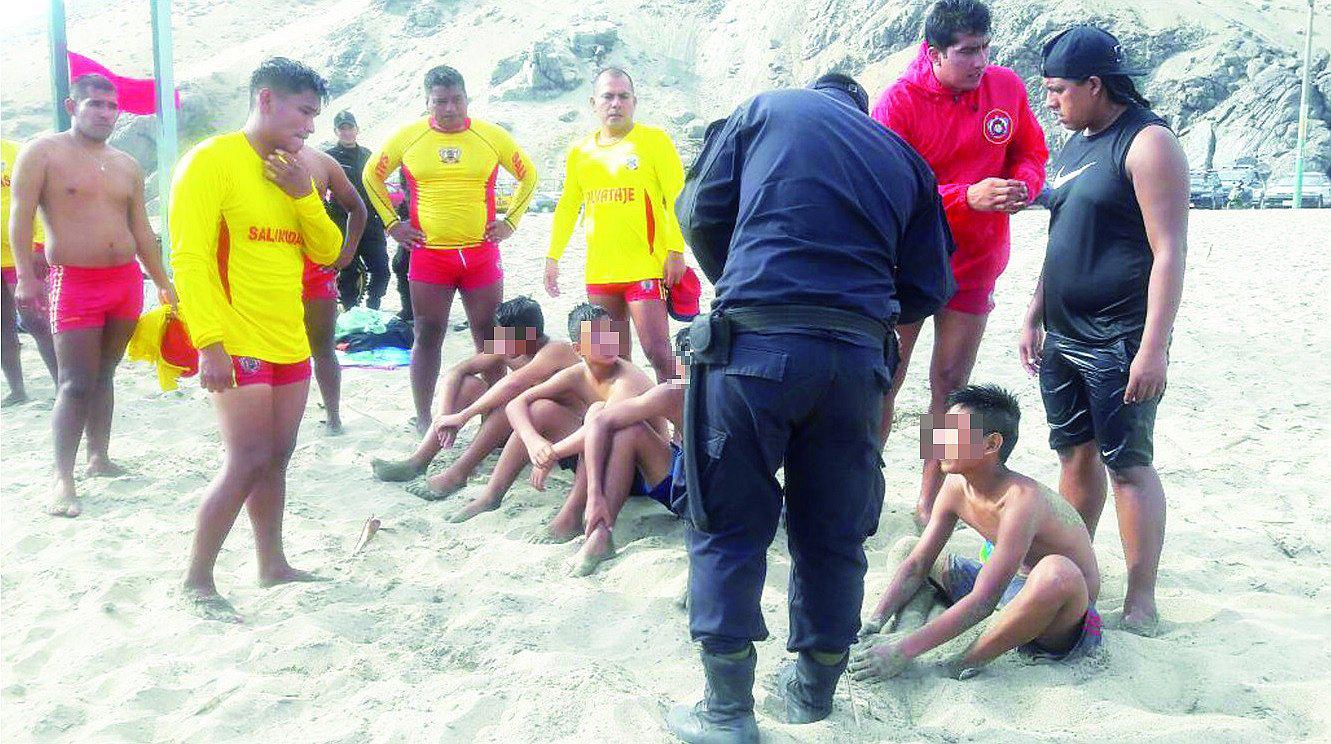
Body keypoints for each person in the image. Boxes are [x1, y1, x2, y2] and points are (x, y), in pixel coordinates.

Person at [666, 74, 954, 742]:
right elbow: (929, 285)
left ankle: (727, 712)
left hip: (751, 346)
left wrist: (745, 276)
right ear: (860, 110)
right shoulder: (904, 157)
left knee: (727, 522)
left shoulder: (764, 110)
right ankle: (813, 694)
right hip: (853, 362)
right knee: (833, 529)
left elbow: (698, 211)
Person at [1020, 26, 1187, 636]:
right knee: (1073, 453)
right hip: (1064, 333)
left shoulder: (1147, 142)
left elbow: (1169, 251)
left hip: (1120, 336)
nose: (1050, 101)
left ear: (1095, 84)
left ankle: (1141, 601)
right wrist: (1034, 312)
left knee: (1128, 464)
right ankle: (1076, 572)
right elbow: (1063, 239)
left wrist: (1153, 347)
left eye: (1059, 90)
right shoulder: (1074, 145)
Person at [170, 58, 344, 622]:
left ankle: (272, 564)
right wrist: (209, 342)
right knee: (245, 459)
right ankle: (197, 579)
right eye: (304, 113)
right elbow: (190, 259)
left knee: (277, 458)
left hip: (289, 337)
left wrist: (304, 195)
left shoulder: (295, 171)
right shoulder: (211, 160)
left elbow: (327, 251)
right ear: (266, 100)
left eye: (315, 116)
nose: (311, 127)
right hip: (236, 337)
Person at [872, 0, 1048, 524]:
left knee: (949, 386)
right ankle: (862, 482)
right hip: (907, 264)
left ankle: (931, 498)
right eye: (967, 51)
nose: (980, 61)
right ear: (934, 54)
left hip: (976, 264)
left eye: (985, 47)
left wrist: (1024, 185)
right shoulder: (899, 102)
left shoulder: (1005, 88)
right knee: (884, 376)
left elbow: (1031, 152)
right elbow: (886, 188)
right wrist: (964, 196)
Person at [8, 74, 176, 518]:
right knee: (74, 382)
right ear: (72, 106)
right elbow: (20, 217)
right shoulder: (43, 152)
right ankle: (62, 479)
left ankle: (98, 456)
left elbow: (141, 229)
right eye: (95, 104)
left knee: (105, 372)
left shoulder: (126, 164)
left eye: (111, 106)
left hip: (125, 282)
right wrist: (24, 276)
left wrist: (162, 279)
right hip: (75, 282)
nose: (105, 113)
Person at [850, 385, 1102, 681]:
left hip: (1058, 616)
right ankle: (908, 624)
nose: (939, 440)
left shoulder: (1022, 500)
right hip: (1006, 590)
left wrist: (904, 652)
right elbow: (918, 563)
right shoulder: (956, 484)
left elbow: (984, 600)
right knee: (907, 548)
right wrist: (874, 622)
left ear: (991, 444)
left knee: (1057, 573)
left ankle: (959, 663)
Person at [363, 65, 539, 435]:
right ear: (427, 102)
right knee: (428, 333)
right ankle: (424, 417)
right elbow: (370, 175)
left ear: (466, 98)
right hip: (430, 256)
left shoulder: (490, 136)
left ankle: (495, 418)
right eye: (440, 101)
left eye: (457, 100)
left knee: (491, 337)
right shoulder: (409, 137)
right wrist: (392, 224)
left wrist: (510, 222)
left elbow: (529, 174)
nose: (449, 108)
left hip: (480, 254)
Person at [447, 303, 650, 524]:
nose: (607, 342)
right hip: (592, 452)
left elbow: (599, 429)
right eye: (597, 338)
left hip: (632, 470)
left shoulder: (626, 378)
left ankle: (571, 515)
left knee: (595, 418)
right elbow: (515, 403)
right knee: (540, 409)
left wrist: (550, 453)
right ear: (578, 349)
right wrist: (533, 442)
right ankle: (490, 495)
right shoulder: (577, 373)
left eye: (611, 334)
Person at [545, 68, 688, 382]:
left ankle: (682, 413)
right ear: (593, 103)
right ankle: (631, 415)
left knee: (658, 352)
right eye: (608, 96)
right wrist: (553, 257)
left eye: (623, 96)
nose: (615, 103)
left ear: (634, 101)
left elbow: (677, 199)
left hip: (644, 268)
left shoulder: (654, 141)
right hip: (600, 272)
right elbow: (567, 207)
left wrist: (676, 250)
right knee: (614, 361)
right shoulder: (580, 152)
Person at [370, 296, 581, 499]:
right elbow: (457, 371)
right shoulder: (509, 344)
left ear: (530, 336)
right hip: (520, 432)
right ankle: (418, 461)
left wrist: (464, 416)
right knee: (468, 385)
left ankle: (458, 473)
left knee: (512, 400)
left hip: (559, 436)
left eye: (509, 338)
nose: (503, 342)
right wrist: (445, 415)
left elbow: (513, 383)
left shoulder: (556, 350)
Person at [546, 327, 689, 576]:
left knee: (612, 421)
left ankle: (596, 530)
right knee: (620, 425)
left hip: (708, 496)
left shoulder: (671, 391)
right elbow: (601, 421)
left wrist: (550, 453)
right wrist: (593, 495)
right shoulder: (675, 393)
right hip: (693, 489)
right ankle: (600, 533)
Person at [300, 140, 366, 434]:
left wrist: (347, 254)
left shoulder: (321, 162)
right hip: (267, 268)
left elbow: (358, 207)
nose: (307, 126)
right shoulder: (244, 156)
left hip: (315, 266)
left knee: (322, 347)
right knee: (275, 350)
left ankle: (334, 416)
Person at [1, 137, 56, 406]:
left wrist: (39, 244)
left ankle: (63, 386)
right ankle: (17, 390)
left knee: (35, 319)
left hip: (21, 252)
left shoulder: (16, 152)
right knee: (2, 326)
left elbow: (38, 200)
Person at [325, 110, 389, 309]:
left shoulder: (368, 155)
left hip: (370, 220)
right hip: (342, 221)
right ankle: (350, 311)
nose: (346, 132)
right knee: (348, 270)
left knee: (381, 269)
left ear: (357, 129)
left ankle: (373, 307)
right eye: (342, 128)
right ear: (336, 131)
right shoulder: (329, 157)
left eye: (350, 127)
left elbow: (378, 186)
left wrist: (385, 219)